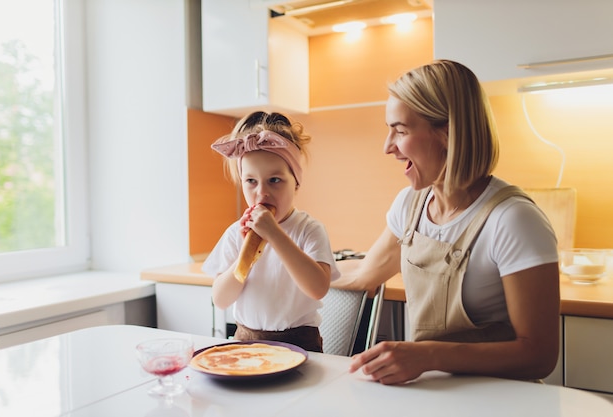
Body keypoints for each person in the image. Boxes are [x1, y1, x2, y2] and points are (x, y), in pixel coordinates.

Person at [335, 60, 560, 384]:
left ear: (447, 132)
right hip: (433, 389)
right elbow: (363, 274)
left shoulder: (514, 220)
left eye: (400, 130)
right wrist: (285, 263)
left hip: (503, 399)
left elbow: (539, 356)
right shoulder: (409, 206)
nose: (388, 147)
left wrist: (428, 355)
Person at [202, 111, 340, 352]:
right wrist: (247, 252)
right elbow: (221, 299)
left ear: (295, 182)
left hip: (300, 345)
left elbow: (318, 288)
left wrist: (275, 235)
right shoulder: (236, 233)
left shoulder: (309, 229)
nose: (262, 193)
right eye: (251, 181)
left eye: (274, 180)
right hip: (246, 342)